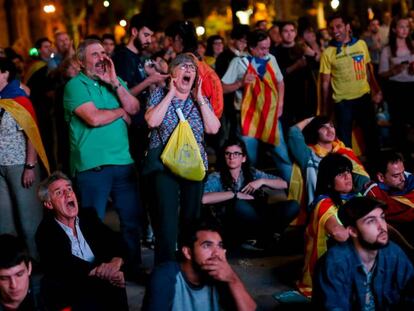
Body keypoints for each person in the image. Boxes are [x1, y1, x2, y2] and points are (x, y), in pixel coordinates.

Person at [63, 39, 143, 278]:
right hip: (92, 167)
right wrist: (120, 112)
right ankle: (95, 272)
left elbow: (135, 108)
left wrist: (115, 83)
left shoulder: (115, 83)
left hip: (123, 163)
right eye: (95, 53)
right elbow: (94, 118)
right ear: (80, 61)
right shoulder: (75, 86)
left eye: (103, 52)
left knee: (131, 221)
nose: (102, 57)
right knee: (91, 223)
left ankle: (132, 267)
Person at [144, 53, 220, 264]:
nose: (189, 70)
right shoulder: (158, 94)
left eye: (192, 68)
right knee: (166, 221)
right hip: (163, 166)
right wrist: (170, 93)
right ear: (172, 73)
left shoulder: (200, 99)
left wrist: (200, 99)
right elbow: (152, 121)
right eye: (184, 66)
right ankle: (166, 269)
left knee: (191, 219)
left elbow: (213, 128)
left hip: (193, 165)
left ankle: (189, 266)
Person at [35, 171, 128, 311]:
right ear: (49, 204)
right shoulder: (45, 232)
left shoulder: (88, 216)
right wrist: (104, 272)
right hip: (74, 290)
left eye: (69, 189)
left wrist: (116, 262)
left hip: (103, 282)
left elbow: (114, 240)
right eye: (59, 192)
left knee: (117, 281)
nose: (67, 194)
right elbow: (63, 265)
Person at [313, 196, 414, 310]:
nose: (381, 226)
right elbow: (334, 307)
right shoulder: (336, 262)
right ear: (353, 231)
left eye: (382, 218)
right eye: (371, 221)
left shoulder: (393, 252)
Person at [221, 29, 291, 182]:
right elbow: (222, 88)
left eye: (268, 47)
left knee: (283, 156)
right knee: (249, 160)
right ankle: (252, 196)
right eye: (262, 48)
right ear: (251, 47)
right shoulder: (238, 62)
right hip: (248, 117)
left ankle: (296, 197)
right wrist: (241, 83)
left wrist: (280, 106)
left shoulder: (271, 58)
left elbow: (280, 82)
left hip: (270, 115)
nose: (266, 51)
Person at [202, 139, 298, 249]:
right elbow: (204, 199)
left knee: (293, 205)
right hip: (234, 224)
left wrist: (262, 181)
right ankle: (266, 236)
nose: (231, 157)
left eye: (236, 154)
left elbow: (284, 184)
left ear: (244, 158)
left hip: (258, 217)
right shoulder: (216, 177)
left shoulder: (252, 173)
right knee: (240, 205)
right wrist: (235, 194)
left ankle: (262, 236)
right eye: (228, 153)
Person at [142, 220, 257, 311]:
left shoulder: (223, 275)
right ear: (187, 252)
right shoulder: (165, 276)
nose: (217, 253)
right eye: (207, 246)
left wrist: (233, 279)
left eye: (220, 246)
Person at [0, 58, 49, 261]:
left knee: (29, 222)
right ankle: (12, 268)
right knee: (4, 223)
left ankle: (38, 268)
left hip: (21, 165)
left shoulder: (20, 100)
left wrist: (30, 165)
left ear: (5, 74)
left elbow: (32, 136)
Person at [320, 13, 382, 160]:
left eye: (338, 26)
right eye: (332, 28)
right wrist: (324, 109)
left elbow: (368, 70)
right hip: (342, 103)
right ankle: (349, 174)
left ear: (348, 27)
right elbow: (325, 83)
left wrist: (376, 90)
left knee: (371, 137)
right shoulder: (328, 53)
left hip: (363, 98)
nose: (335, 30)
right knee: (344, 143)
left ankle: (377, 172)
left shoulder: (361, 45)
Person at [297, 153, 358, 298]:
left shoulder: (357, 196)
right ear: (329, 182)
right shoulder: (323, 203)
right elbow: (340, 235)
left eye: (348, 171)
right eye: (340, 174)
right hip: (325, 267)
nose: (347, 176)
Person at [288, 116, 369, 208]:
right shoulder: (308, 154)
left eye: (331, 126)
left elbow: (361, 178)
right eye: (323, 127)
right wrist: (309, 120)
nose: (330, 130)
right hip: (324, 204)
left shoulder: (345, 152)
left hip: (350, 201)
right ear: (315, 131)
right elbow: (293, 132)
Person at [379, 16, 414, 152]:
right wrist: (394, 70)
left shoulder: (413, 46)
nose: (405, 30)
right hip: (396, 88)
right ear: (394, 29)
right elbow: (382, 73)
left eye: (407, 27)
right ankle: (401, 154)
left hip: (412, 86)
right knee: (398, 123)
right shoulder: (387, 50)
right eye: (401, 26)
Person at [364, 151, 414, 245]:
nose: (403, 178)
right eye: (396, 175)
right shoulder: (373, 195)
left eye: (402, 172)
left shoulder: (410, 179)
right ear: (381, 177)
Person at [0, 234, 37, 311]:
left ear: (29, 268)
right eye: (4, 278)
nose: (13, 285)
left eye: (19, 274)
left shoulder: (52, 294)